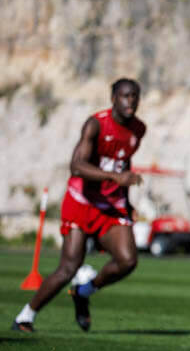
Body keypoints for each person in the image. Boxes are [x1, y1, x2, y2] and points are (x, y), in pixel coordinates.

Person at [11, 78, 145, 333]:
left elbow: (122, 161)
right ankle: (24, 317)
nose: (131, 101)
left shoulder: (139, 129)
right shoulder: (96, 124)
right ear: (113, 98)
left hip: (111, 204)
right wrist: (115, 178)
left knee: (127, 261)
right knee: (69, 267)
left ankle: (83, 292)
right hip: (81, 202)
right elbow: (76, 166)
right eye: (125, 96)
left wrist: (126, 201)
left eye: (135, 96)